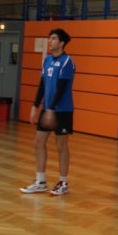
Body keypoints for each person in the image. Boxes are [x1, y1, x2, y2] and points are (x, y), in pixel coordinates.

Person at [20, 28, 75, 196]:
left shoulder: (67, 62)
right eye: (50, 38)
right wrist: (35, 106)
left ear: (62, 43)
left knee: (61, 145)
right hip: (47, 109)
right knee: (38, 142)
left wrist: (51, 108)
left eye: (53, 38)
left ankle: (63, 183)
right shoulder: (47, 60)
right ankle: (40, 181)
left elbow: (61, 88)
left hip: (62, 110)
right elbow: (43, 84)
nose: (50, 41)